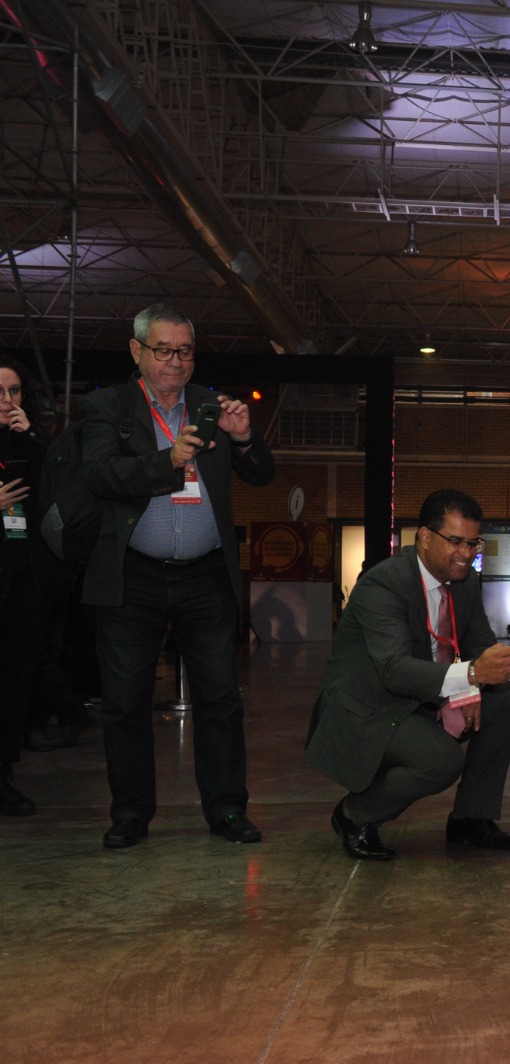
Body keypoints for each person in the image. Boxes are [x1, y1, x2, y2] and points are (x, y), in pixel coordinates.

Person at [82, 304, 276, 849]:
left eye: (185, 350)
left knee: (221, 697)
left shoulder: (212, 405)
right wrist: (167, 460)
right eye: (163, 349)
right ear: (137, 351)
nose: (175, 361)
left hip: (206, 576)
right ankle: (130, 813)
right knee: (124, 700)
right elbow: (100, 474)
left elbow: (263, 474)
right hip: (133, 576)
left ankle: (226, 810)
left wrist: (241, 438)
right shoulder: (108, 405)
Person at [306, 489, 510, 860]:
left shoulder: (466, 582)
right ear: (424, 537)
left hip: (422, 695)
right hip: (372, 706)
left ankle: (470, 818)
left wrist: (480, 678)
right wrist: (473, 675)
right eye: (456, 541)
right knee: (441, 760)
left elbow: (477, 643)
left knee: (508, 701)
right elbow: (394, 670)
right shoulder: (384, 584)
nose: (466, 553)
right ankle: (354, 815)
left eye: (473, 542)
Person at [0, 358, 44, 815]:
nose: (8, 400)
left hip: (20, 578)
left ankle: (3, 775)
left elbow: (49, 488)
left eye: (15, 391)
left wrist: (31, 436)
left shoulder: (24, 442)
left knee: (13, 684)